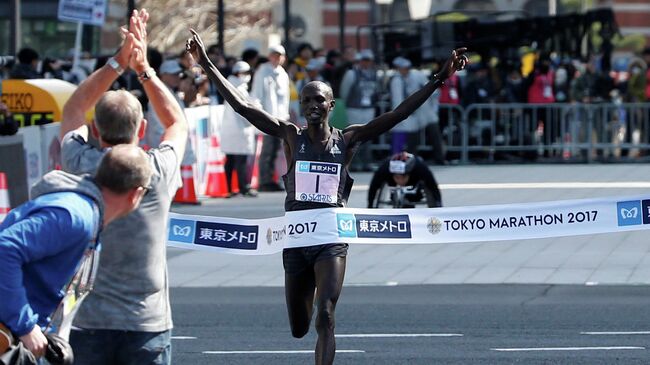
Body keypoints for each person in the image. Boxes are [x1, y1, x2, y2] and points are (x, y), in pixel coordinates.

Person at [188, 28, 467, 365]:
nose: (312, 105)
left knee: (326, 315)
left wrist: (439, 79)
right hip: (295, 240)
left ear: (331, 105)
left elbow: (398, 115)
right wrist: (206, 63)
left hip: (330, 238)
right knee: (299, 326)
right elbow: (243, 105)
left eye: (319, 99)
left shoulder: (347, 140)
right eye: (306, 100)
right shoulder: (291, 136)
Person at [59, 9, 188, 365]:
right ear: (143, 129)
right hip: (147, 324)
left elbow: (73, 108)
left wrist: (118, 62)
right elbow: (176, 121)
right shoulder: (157, 169)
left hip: (86, 322)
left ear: (95, 131)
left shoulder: (79, 163)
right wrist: (143, 68)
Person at [0, 145, 153, 359]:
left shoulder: (86, 215)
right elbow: (4, 249)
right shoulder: (76, 217)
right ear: (137, 193)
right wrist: (25, 325)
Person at [251, 44, 291, 192]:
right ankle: (264, 180)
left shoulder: (282, 73)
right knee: (267, 150)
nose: (277, 58)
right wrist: (260, 116)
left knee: (275, 151)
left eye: (280, 55)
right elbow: (257, 94)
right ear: (269, 56)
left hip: (281, 118)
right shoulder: (263, 71)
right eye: (274, 54)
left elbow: (285, 98)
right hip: (268, 116)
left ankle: (271, 178)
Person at [222, 60, 258, 197]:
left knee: (231, 159)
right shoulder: (239, 88)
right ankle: (244, 187)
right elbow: (245, 109)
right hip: (240, 128)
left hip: (231, 128)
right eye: (245, 73)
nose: (247, 76)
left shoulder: (229, 85)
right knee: (240, 160)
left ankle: (230, 188)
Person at [367, 151, 442, 208]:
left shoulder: (420, 168)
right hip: (391, 180)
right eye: (397, 177)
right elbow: (373, 188)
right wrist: (370, 206)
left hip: (413, 181)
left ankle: (413, 197)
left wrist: (438, 206)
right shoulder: (384, 169)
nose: (400, 181)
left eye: (403, 177)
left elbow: (433, 187)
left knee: (414, 197)